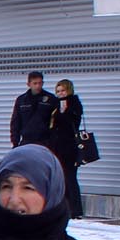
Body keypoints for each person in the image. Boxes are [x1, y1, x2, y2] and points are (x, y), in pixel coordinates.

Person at [50, 78, 87, 219]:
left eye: (63, 90)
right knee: (61, 178)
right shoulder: (56, 104)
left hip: (69, 147)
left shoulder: (73, 104)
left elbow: (69, 124)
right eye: (58, 91)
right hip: (57, 146)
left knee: (70, 178)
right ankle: (64, 208)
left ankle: (75, 210)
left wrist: (64, 112)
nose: (60, 94)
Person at [8, 70, 59, 152]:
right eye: (35, 83)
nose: (38, 86)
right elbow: (15, 122)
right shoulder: (21, 100)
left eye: (40, 83)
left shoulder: (51, 99)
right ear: (29, 84)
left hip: (45, 141)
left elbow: (57, 122)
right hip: (27, 141)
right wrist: (15, 143)